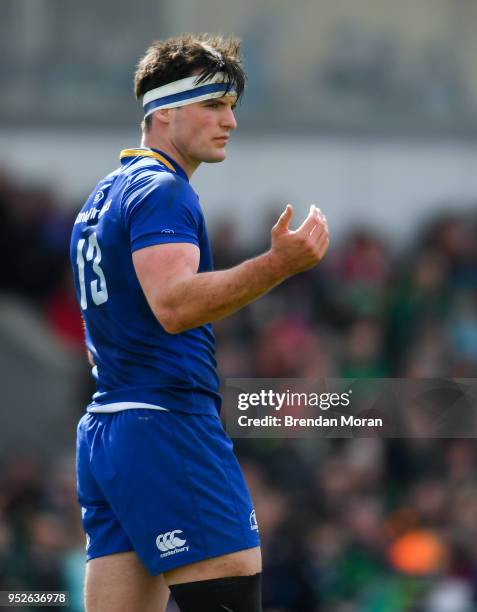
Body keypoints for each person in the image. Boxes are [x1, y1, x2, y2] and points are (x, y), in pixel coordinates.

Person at [70, 33, 329, 612]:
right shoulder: (163, 192)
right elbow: (176, 304)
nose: (230, 121)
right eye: (213, 105)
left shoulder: (101, 197)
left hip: (111, 427)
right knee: (234, 591)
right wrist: (276, 266)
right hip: (166, 420)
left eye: (231, 106)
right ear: (163, 113)